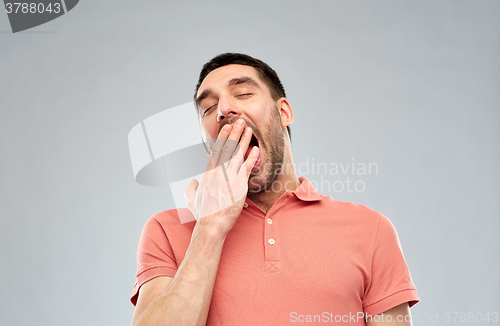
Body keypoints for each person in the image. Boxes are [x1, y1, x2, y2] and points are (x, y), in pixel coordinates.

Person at [130, 53, 419, 326]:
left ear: (283, 113)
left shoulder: (371, 230)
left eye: (243, 93)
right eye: (207, 108)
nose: (223, 110)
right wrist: (209, 228)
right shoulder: (166, 230)